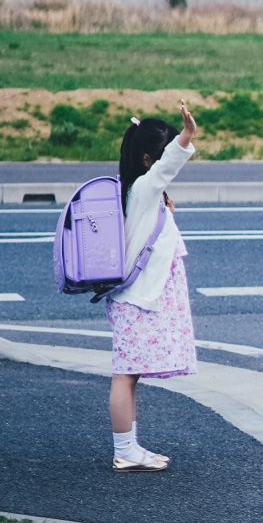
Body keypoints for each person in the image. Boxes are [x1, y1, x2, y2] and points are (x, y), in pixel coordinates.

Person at [105, 101, 198, 472]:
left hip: (139, 300)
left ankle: (129, 447)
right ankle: (124, 450)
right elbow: (167, 167)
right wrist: (187, 137)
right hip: (136, 301)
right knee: (125, 374)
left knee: (130, 374)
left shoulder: (141, 193)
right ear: (148, 161)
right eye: (161, 157)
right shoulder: (145, 187)